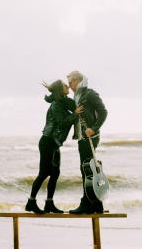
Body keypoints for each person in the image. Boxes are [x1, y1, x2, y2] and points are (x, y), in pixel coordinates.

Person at [25, 80, 83, 214]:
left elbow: (74, 106)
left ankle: (49, 203)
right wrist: (75, 114)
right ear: (59, 89)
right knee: (44, 173)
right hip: (48, 141)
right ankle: (31, 202)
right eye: (65, 85)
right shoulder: (56, 105)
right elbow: (62, 123)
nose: (67, 86)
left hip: (55, 143)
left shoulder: (63, 102)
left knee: (55, 173)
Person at [67, 71, 108, 214]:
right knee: (87, 169)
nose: (69, 85)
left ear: (77, 80)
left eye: (70, 82)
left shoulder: (89, 94)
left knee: (87, 169)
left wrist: (94, 128)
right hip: (81, 137)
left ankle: (87, 203)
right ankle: (95, 205)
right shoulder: (77, 96)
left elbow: (103, 112)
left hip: (90, 136)